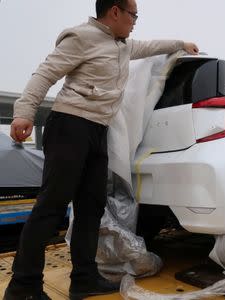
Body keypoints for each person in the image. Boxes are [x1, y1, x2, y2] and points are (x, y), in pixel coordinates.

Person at [4, 0, 199, 299]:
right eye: (133, 14)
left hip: (98, 132)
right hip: (70, 125)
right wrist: (24, 111)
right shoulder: (81, 37)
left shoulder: (122, 46)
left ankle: (84, 279)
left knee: (91, 207)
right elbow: (46, 73)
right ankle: (23, 286)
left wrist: (181, 43)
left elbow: (149, 46)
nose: (136, 21)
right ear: (115, 11)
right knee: (51, 207)